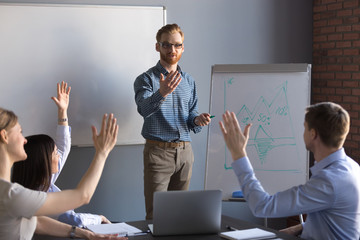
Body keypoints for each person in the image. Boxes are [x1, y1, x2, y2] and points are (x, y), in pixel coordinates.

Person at [219, 102, 360, 239]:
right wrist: (299, 227)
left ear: (313, 134)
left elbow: (262, 206)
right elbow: (337, 218)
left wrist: (238, 154)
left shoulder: (329, 181)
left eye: (305, 127)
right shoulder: (352, 167)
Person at [0, 106, 125, 240]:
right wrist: (102, 153)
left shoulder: (12, 193)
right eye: (20, 132)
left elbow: (38, 221)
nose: (24, 140)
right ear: (5, 136)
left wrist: (87, 234)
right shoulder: (12, 195)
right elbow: (83, 196)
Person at [134, 23, 211, 219]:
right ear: (157, 46)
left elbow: (190, 115)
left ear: (183, 47)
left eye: (177, 45)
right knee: (156, 216)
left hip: (185, 153)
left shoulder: (189, 81)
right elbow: (143, 109)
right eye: (166, 45)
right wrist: (162, 92)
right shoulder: (146, 79)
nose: (172, 50)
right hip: (158, 153)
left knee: (180, 215)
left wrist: (197, 120)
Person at [12, 81, 111, 228]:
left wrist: (62, 112)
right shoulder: (39, 196)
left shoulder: (41, 182)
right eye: (54, 153)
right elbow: (74, 221)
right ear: (43, 162)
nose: (59, 156)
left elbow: (63, 146)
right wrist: (99, 218)